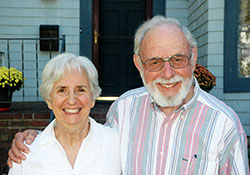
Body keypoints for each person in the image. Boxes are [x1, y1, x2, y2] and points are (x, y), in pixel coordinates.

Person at [8, 16, 249, 174]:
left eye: (177, 59)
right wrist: (35, 138)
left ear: (193, 57)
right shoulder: (124, 110)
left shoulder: (224, 125)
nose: (167, 73)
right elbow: (83, 135)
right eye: (155, 62)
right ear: (138, 63)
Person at [8, 53, 121, 175]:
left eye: (80, 90)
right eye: (62, 90)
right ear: (49, 100)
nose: (72, 100)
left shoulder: (117, 143)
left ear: (93, 98)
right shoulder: (26, 153)